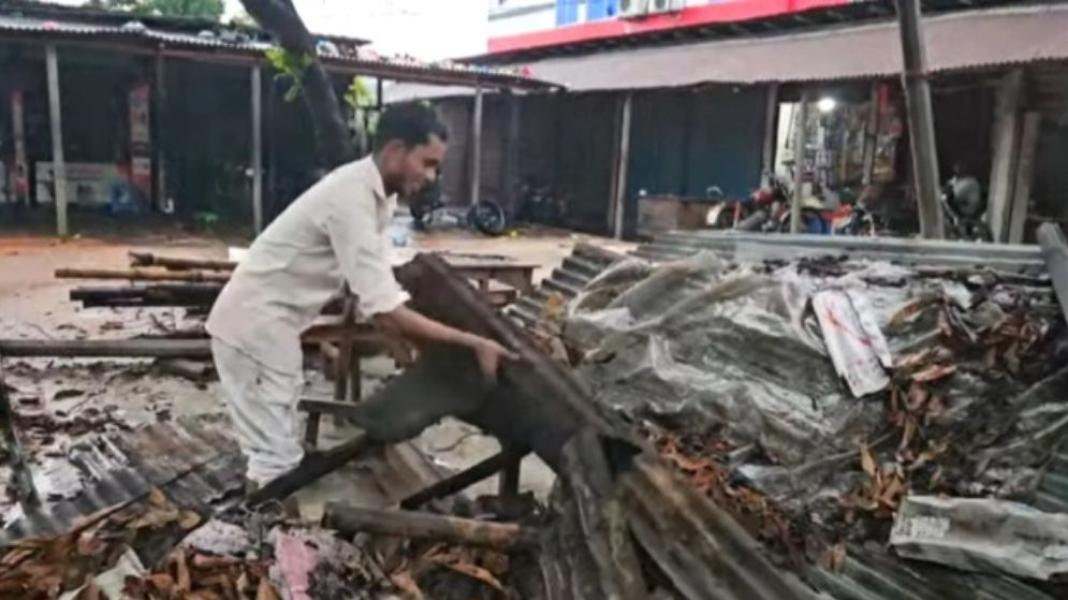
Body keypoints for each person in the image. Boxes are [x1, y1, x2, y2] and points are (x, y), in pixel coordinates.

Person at [206, 102, 517, 489]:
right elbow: (386, 310)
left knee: (278, 449)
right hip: (253, 329)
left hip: (272, 327)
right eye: (427, 163)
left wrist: (400, 341)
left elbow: (368, 286)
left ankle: (273, 513)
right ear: (395, 151)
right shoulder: (350, 200)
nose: (431, 176)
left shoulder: (379, 198)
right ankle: (269, 523)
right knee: (274, 463)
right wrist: (473, 342)